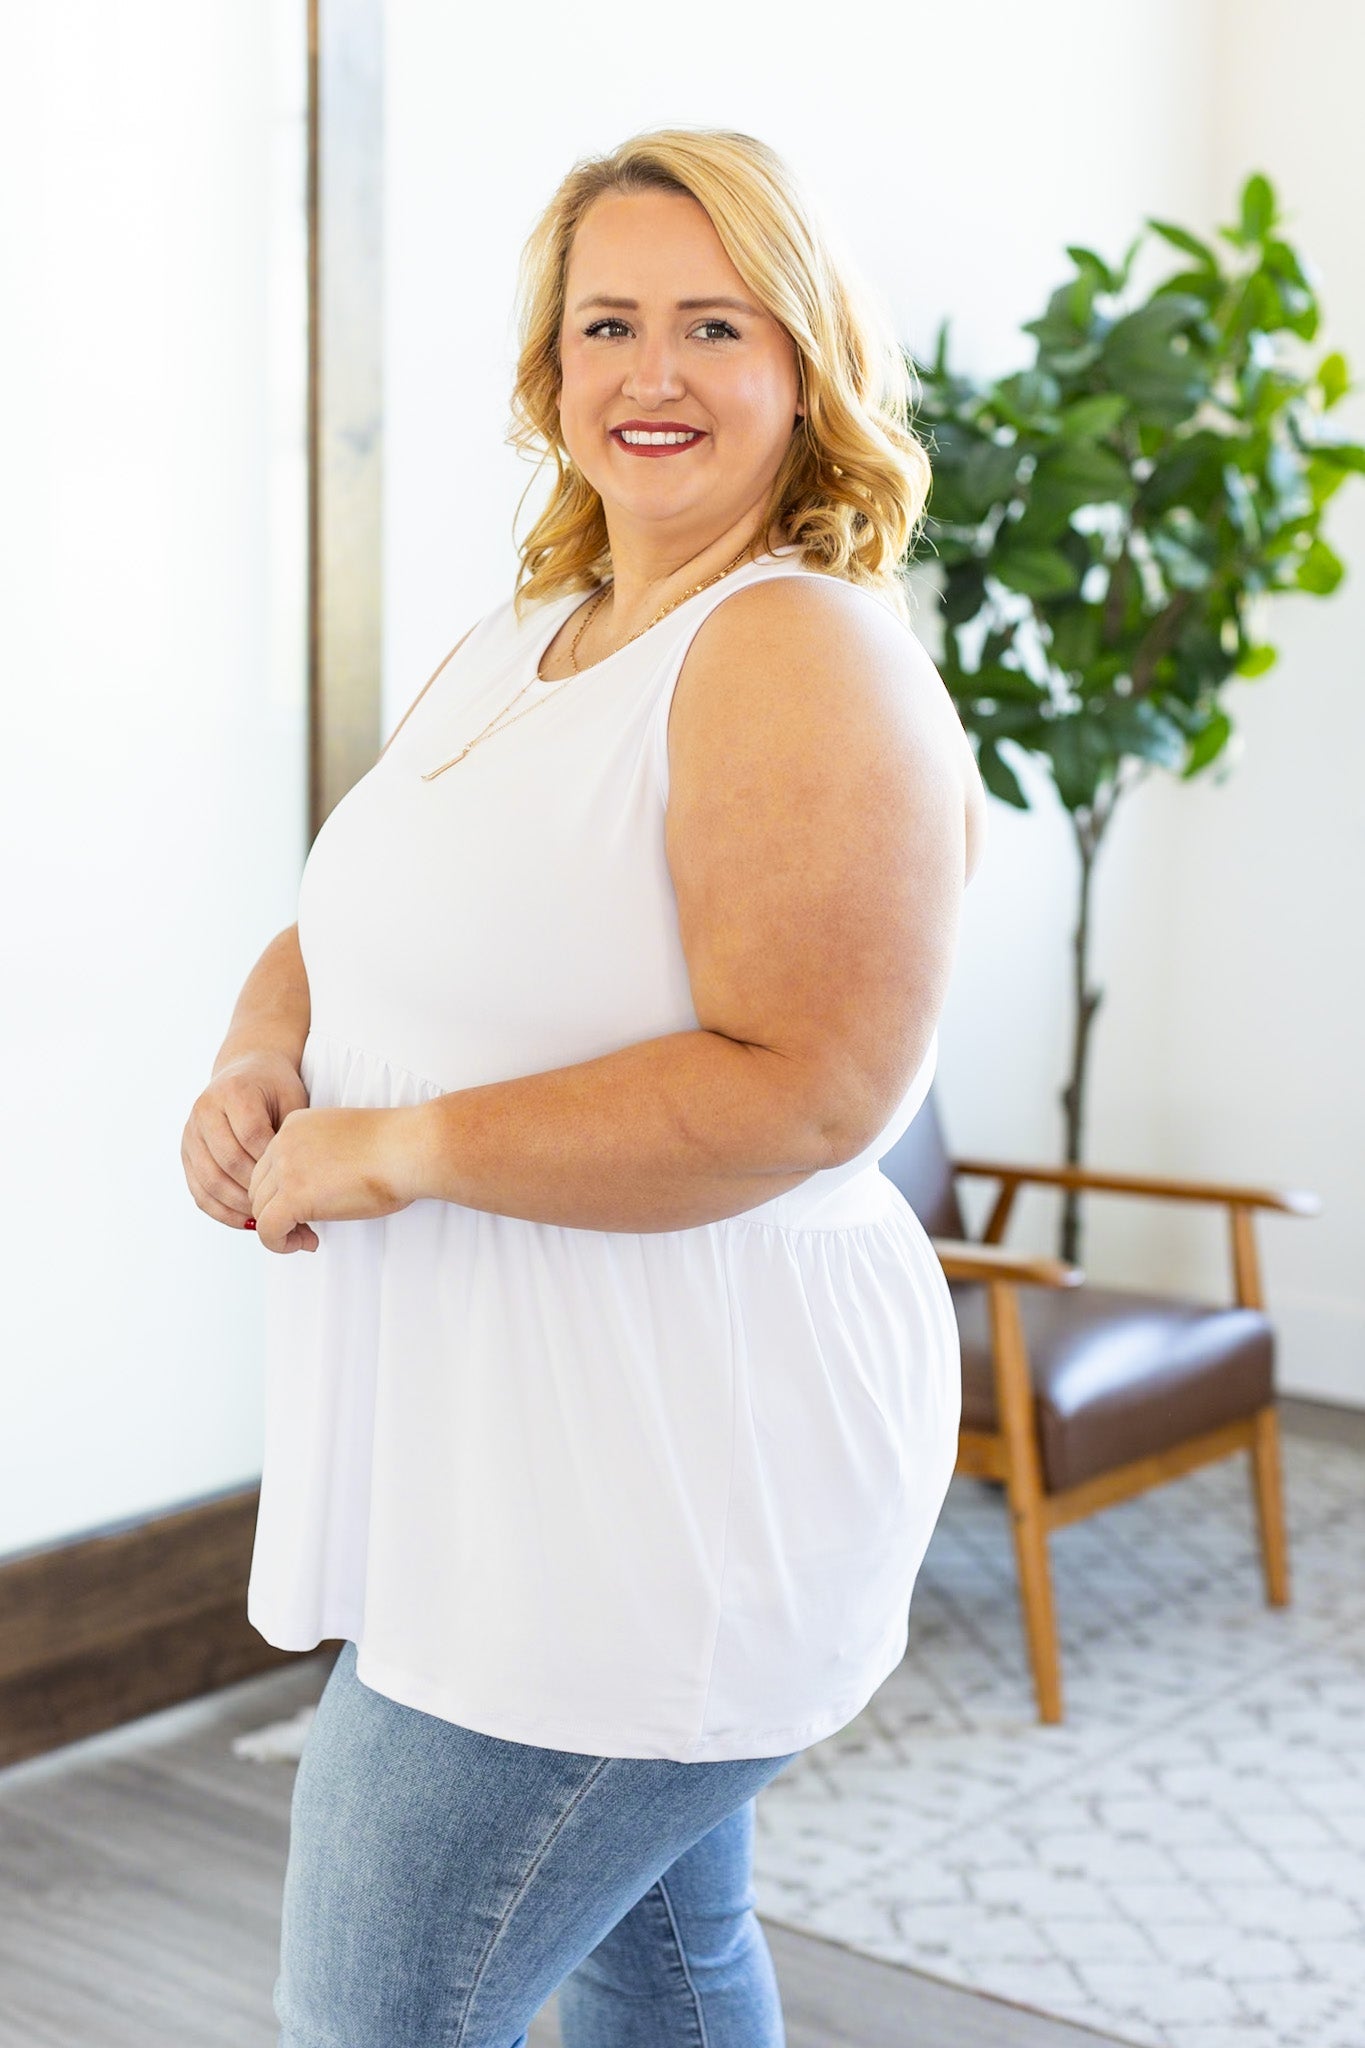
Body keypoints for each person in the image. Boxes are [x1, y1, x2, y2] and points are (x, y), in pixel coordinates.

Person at [183, 125, 986, 2048]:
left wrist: (401, 1149)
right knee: (662, 1957)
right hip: (507, 1465)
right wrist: (259, 1050)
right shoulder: (525, 640)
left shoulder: (789, 648)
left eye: (714, 323)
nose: (650, 372)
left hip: (660, 1489)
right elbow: (361, 909)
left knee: (375, 2019)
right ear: (547, 373)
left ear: (806, 366)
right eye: (605, 322)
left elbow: (810, 1091)